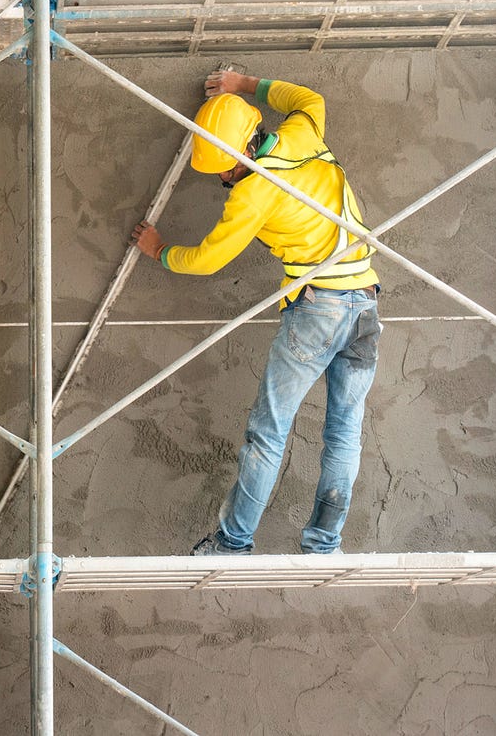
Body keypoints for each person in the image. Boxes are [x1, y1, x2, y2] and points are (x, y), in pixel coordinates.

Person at [131, 70, 381, 555]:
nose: (222, 179)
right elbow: (307, 97)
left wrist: (160, 250)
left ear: (244, 155)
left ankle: (232, 542)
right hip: (366, 304)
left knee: (268, 434)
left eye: (223, 169)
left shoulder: (253, 193)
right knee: (344, 433)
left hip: (317, 311)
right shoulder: (302, 133)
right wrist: (242, 83)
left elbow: (206, 259)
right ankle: (324, 543)